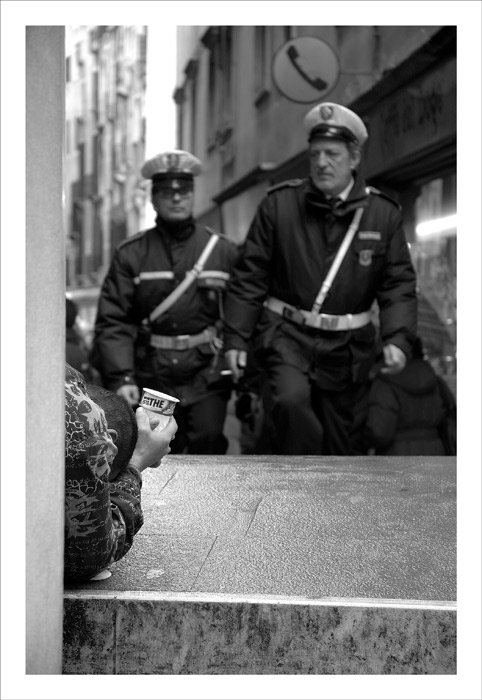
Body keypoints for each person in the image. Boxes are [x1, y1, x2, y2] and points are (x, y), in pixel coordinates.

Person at [223, 102, 418, 455]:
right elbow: (249, 277)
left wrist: (398, 338)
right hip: (286, 336)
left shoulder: (382, 214)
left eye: (332, 154)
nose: (322, 163)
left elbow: (397, 285)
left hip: (349, 349)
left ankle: (326, 485)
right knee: (290, 402)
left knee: (342, 443)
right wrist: (235, 339)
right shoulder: (278, 205)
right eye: (315, 154)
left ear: (354, 159)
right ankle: (302, 483)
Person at [92, 150, 239, 454]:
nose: (176, 198)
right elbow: (114, 320)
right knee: (156, 453)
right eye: (166, 192)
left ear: (193, 194)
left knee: (209, 444)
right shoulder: (131, 253)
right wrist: (122, 376)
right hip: (152, 375)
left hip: (206, 371)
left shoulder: (221, 250)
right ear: (153, 198)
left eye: (183, 190)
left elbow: (241, 311)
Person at [64, 363, 177, 582]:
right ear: (107, 444)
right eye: (103, 482)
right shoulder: (77, 415)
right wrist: (136, 464)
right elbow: (88, 556)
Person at [364, 337, 456, 455]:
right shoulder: (436, 381)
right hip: (436, 452)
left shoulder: (384, 383)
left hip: (396, 455)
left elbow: (380, 431)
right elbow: (450, 416)